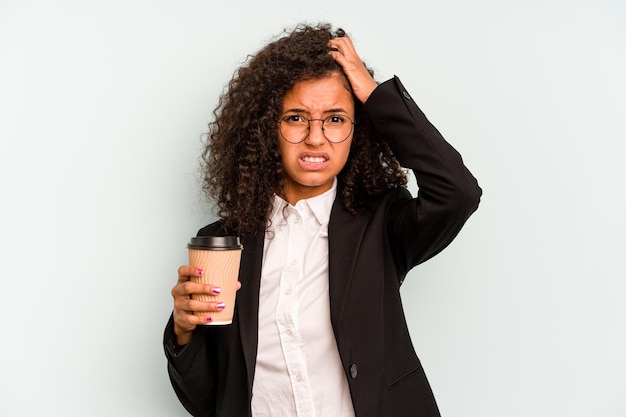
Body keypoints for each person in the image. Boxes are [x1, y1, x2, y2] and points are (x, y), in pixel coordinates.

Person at [164, 23, 482, 417]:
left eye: (335, 119)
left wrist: (374, 94)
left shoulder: (380, 224)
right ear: (267, 130)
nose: (316, 138)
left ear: (357, 128)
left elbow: (459, 192)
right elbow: (209, 400)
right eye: (296, 118)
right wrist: (183, 331)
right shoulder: (224, 243)